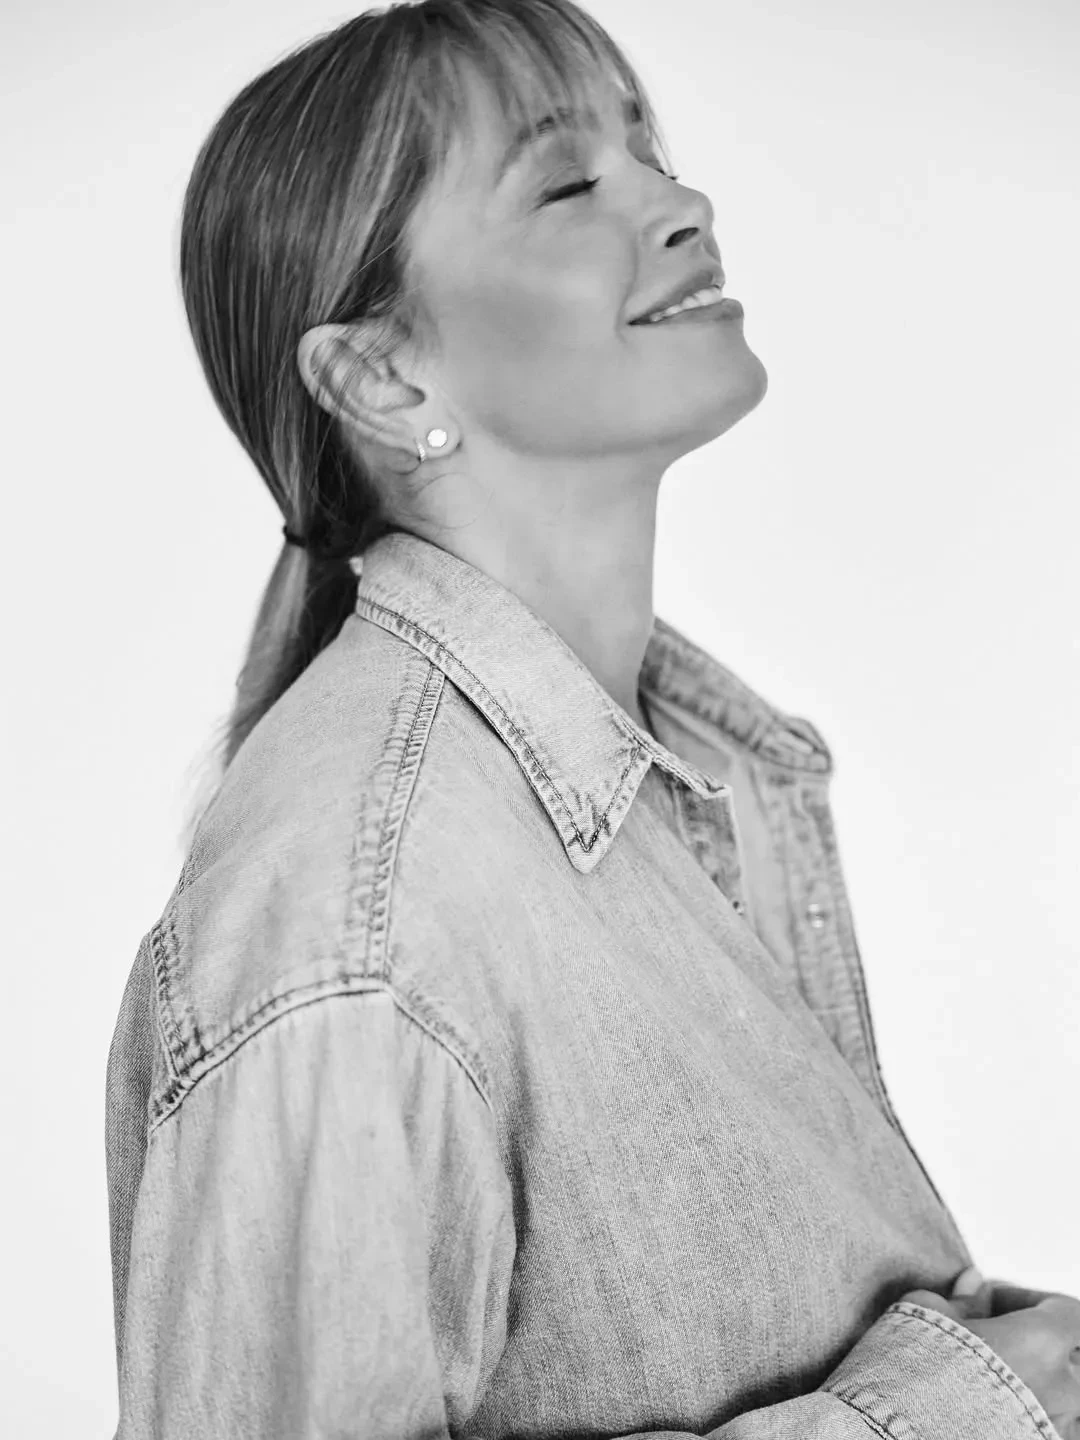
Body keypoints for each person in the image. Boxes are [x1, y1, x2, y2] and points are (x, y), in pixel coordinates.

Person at [104, 1, 1080, 1436]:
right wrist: (951, 1412)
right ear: (381, 376)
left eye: (651, 155)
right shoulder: (357, 928)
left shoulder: (679, 780)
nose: (685, 206)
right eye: (569, 183)